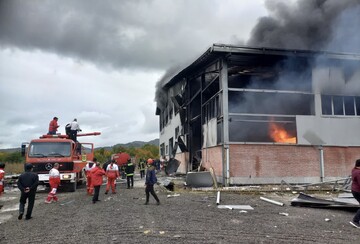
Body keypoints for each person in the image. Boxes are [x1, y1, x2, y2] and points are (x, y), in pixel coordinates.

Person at [350, 159, 360, 228]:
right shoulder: (358, 172)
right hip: (358, 191)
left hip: (355, 190)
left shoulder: (354, 170)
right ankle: (355, 221)